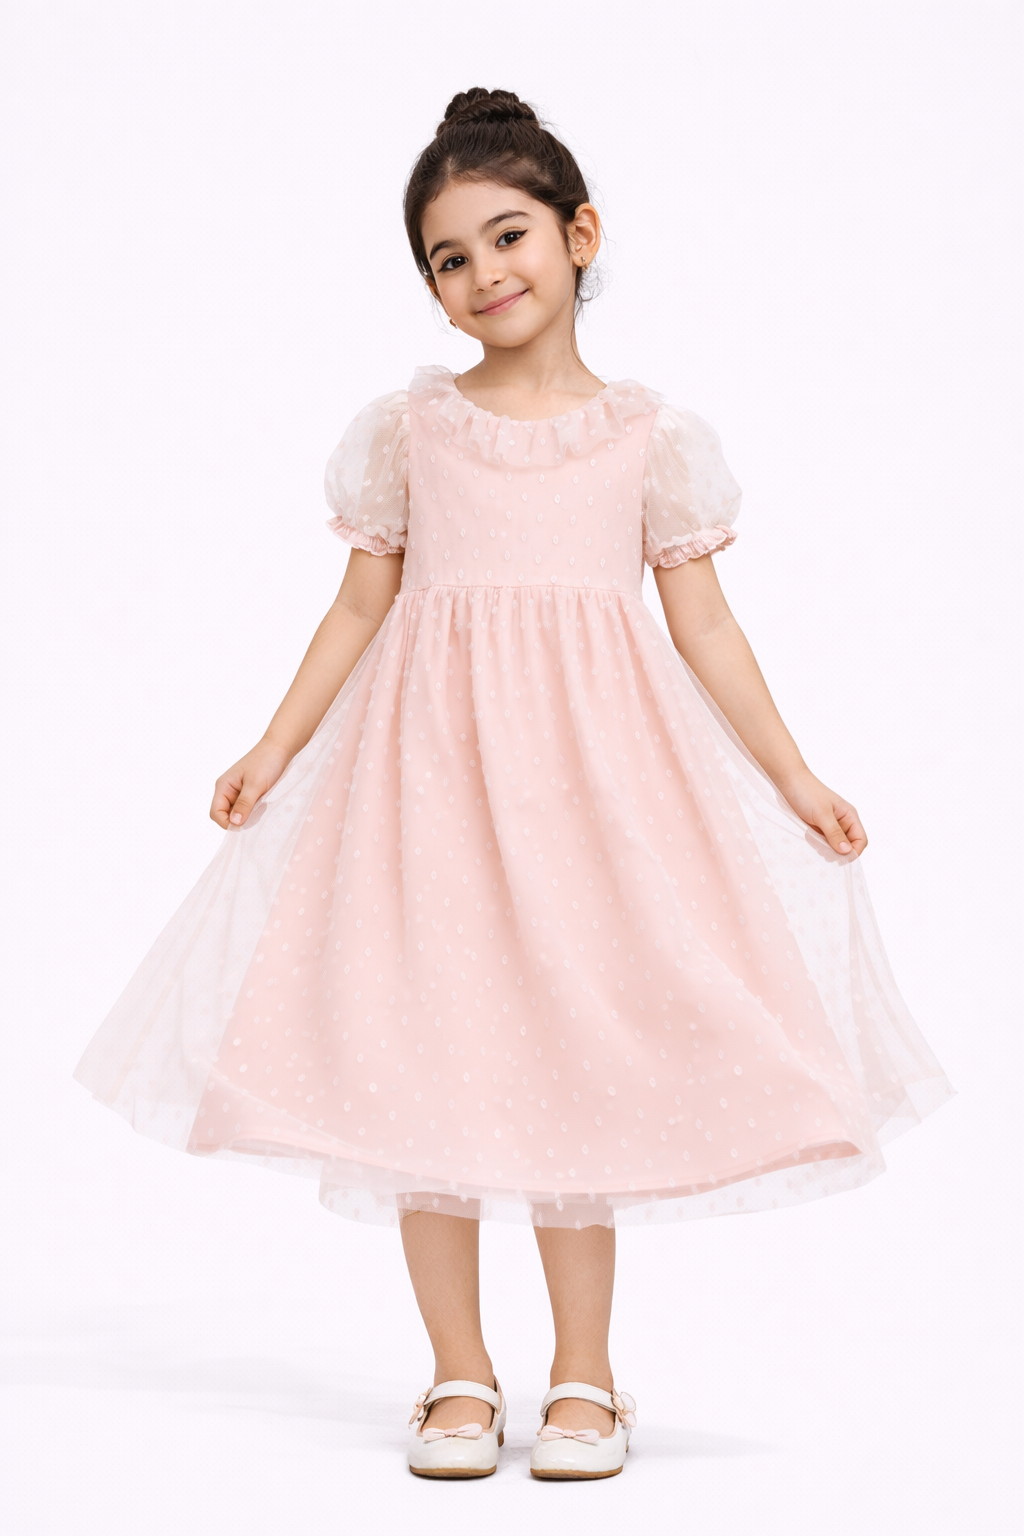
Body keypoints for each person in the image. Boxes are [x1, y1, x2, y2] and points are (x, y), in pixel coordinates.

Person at [74, 86, 952, 1482]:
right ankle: (458, 1373)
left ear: (578, 235)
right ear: (430, 288)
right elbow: (359, 607)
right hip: (425, 784)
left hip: (591, 798)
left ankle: (585, 1375)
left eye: (508, 235)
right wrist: (273, 745)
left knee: (572, 1054)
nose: (485, 272)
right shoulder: (411, 431)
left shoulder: (646, 437)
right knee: (424, 1056)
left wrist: (791, 773)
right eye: (450, 257)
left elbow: (705, 625)